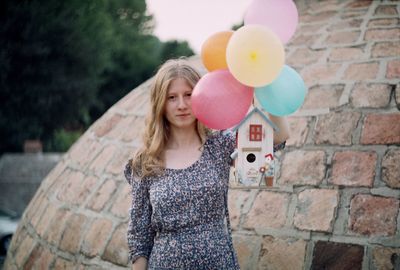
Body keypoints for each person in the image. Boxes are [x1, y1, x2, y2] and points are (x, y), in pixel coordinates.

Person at [124, 58, 289, 270]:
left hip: (218, 262)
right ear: (160, 103)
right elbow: (139, 235)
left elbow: (279, 137)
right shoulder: (145, 162)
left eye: (189, 95)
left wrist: (268, 85)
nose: (182, 105)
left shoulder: (219, 144)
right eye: (172, 97)